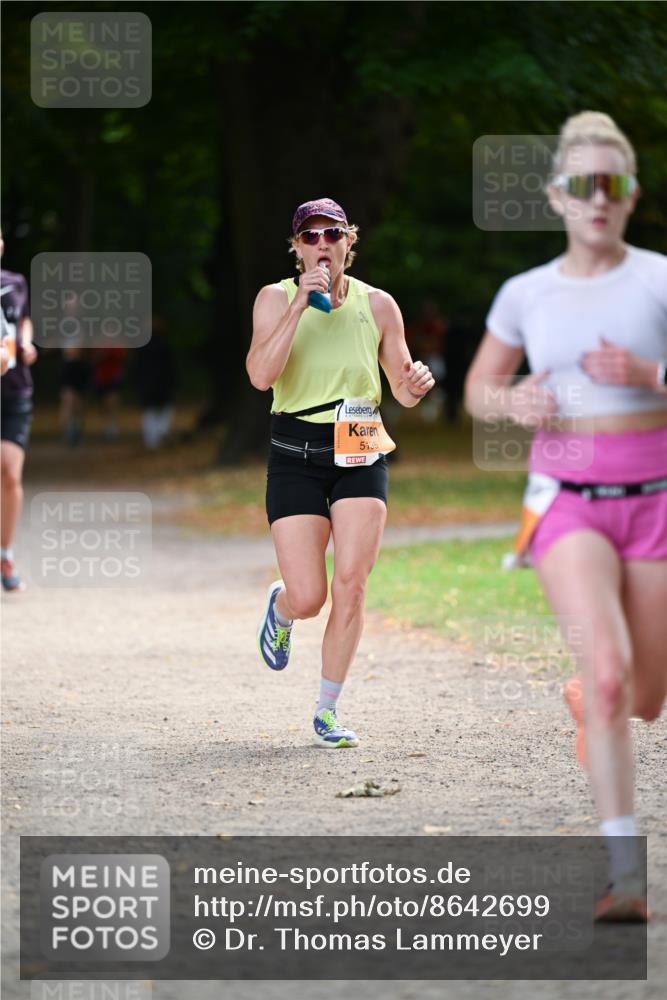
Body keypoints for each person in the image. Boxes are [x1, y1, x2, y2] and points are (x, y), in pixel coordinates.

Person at [465, 112, 667, 921]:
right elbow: (479, 388)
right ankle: (625, 876)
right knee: (613, 676)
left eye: (610, 185)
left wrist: (649, 372)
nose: (596, 199)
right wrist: (513, 398)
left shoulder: (657, 278)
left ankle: (599, 696)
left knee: (645, 696)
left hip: (654, 499)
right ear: (555, 196)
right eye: (579, 185)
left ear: (629, 196)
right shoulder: (525, 293)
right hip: (567, 501)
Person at [247, 198, 435, 748]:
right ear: (297, 248)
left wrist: (414, 384)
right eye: (310, 237)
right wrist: (300, 306)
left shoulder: (379, 306)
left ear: (350, 241)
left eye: (332, 234)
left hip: (360, 442)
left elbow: (400, 383)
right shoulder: (274, 299)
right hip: (295, 452)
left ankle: (327, 711)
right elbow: (260, 376)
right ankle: (282, 607)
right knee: (311, 596)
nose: (322, 244)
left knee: (351, 585)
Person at [1, 234, 38, 591]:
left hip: (14, 390)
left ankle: (6, 553)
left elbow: (22, 319)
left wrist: (26, 341)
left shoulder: (14, 282)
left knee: (10, 472)